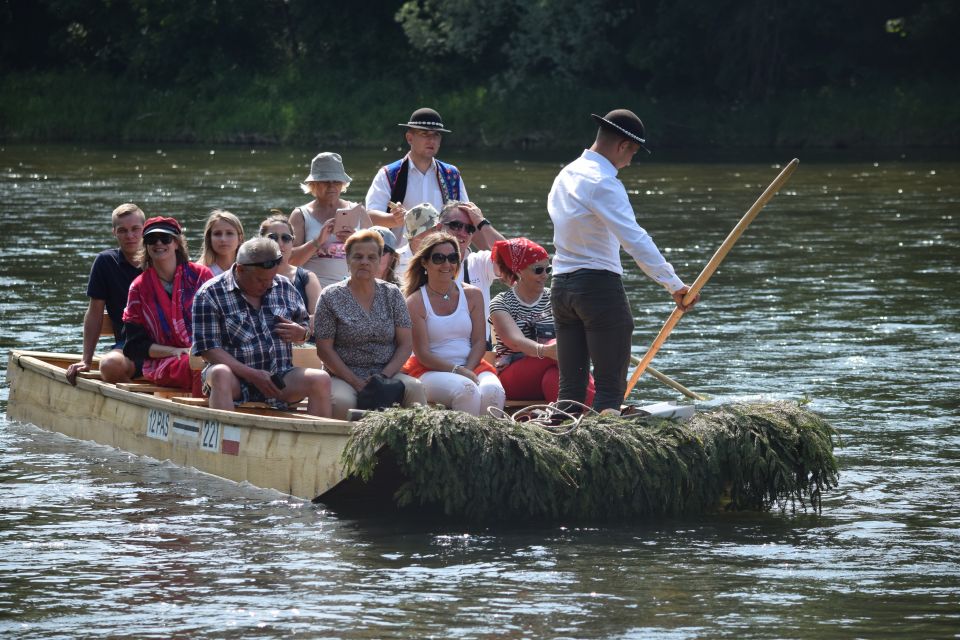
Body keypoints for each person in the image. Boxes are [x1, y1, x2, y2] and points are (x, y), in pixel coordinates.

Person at [547, 109, 698, 416]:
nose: (631, 162)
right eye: (634, 153)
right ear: (622, 146)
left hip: (561, 288)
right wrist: (675, 285)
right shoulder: (603, 182)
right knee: (609, 390)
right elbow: (635, 239)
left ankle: (562, 441)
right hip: (597, 288)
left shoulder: (565, 175)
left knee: (571, 391)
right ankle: (605, 454)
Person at [191, 237, 332, 417]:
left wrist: (302, 334)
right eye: (260, 280)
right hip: (236, 378)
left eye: (271, 278)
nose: (267, 285)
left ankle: (316, 442)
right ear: (240, 269)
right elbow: (208, 349)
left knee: (320, 380)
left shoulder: (284, 286)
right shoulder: (209, 293)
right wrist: (252, 375)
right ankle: (225, 440)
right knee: (219, 373)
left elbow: (306, 327)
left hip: (280, 377)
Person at [314, 229, 426, 419]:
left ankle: (411, 447)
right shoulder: (330, 296)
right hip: (343, 375)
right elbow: (324, 350)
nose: (364, 261)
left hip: (386, 373)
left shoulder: (393, 294)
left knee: (415, 389)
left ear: (379, 261)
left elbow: (406, 344)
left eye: (371, 257)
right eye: (358, 256)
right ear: (347, 260)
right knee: (343, 402)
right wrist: (356, 382)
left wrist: (382, 377)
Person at [402, 232, 505, 416]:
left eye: (452, 258)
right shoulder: (415, 302)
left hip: (472, 365)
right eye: (439, 258)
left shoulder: (473, 295)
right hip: (429, 370)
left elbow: (479, 342)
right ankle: (465, 444)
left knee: (493, 392)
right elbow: (423, 355)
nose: (447, 264)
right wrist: (458, 371)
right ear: (425, 262)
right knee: (467, 391)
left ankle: (486, 444)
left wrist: (468, 370)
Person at [489, 238, 595, 404]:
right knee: (561, 347)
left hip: (554, 368)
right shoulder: (501, 302)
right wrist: (548, 351)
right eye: (538, 270)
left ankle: (568, 417)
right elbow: (515, 342)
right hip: (513, 377)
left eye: (548, 269)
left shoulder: (555, 296)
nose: (545, 276)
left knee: (553, 378)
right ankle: (598, 407)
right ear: (518, 272)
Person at [365, 107, 486, 254]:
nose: (431, 140)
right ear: (409, 138)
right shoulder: (389, 174)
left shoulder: (451, 175)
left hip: (444, 261)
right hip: (400, 262)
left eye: (436, 135)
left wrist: (494, 256)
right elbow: (369, 217)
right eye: (424, 134)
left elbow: (468, 221)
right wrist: (393, 219)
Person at [121, 217, 213, 391]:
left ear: (177, 243)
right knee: (194, 365)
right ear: (146, 246)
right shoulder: (138, 287)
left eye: (165, 239)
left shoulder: (201, 275)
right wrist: (174, 351)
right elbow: (133, 346)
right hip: (164, 361)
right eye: (151, 239)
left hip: (209, 352)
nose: (158, 243)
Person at [288, 152, 398, 288]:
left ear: (343, 184)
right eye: (325, 181)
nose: (331, 186)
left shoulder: (358, 211)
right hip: (314, 291)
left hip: (354, 290)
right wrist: (317, 241)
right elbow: (290, 261)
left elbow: (376, 257)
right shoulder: (300, 215)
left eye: (336, 181)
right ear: (313, 184)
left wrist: (353, 241)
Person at [66, 203, 145, 385]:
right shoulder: (105, 262)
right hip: (130, 346)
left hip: (166, 343)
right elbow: (95, 312)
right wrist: (86, 360)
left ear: (144, 229)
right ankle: (136, 400)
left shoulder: (160, 257)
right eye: (122, 230)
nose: (130, 236)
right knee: (110, 365)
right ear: (114, 233)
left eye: (135, 229)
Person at [259, 213, 321, 338]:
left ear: (292, 243)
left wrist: (301, 330)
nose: (280, 243)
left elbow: (320, 318)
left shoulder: (307, 277)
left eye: (286, 238)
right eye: (273, 237)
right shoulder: (250, 275)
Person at [198, 209, 244, 276]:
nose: (223, 239)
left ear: (240, 238)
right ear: (209, 239)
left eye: (229, 233)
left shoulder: (249, 270)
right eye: (217, 234)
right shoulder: (198, 272)